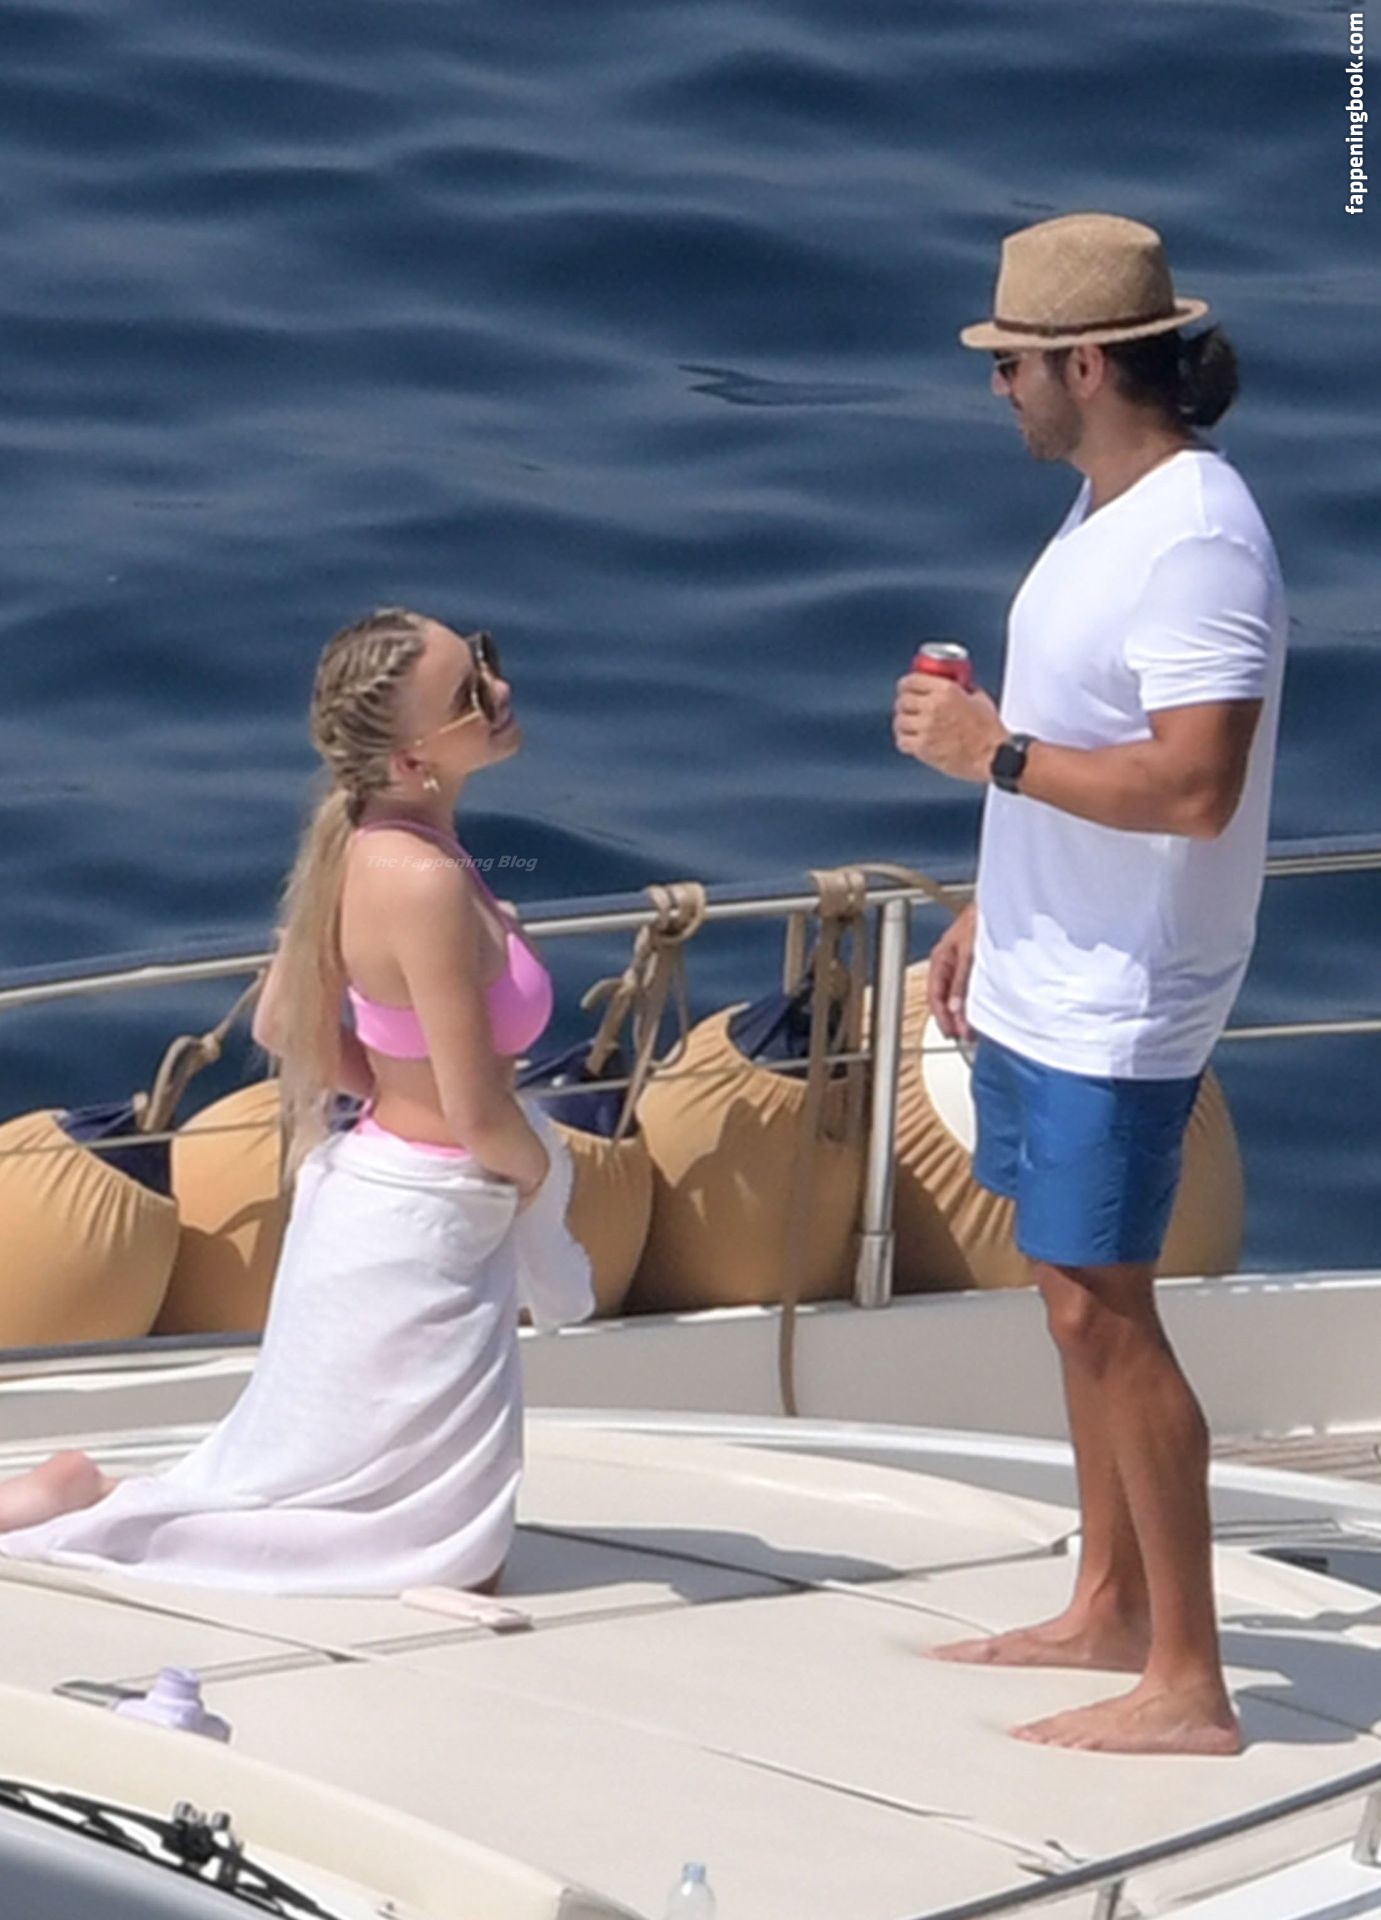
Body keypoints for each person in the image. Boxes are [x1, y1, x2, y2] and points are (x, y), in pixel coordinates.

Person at [892, 214, 1288, 1755]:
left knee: (1106, 1308)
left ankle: (1189, 1682)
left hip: (1127, 987)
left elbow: (1194, 785)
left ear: (1084, 365)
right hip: (1045, 960)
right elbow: (1090, 731)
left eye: (1011, 364)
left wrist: (988, 754)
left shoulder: (1196, 538)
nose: (996, 388)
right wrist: (992, 902)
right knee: (1070, 1301)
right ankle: (1110, 1602)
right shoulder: (1103, 508)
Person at [0, 607, 592, 1595]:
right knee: (443, 1554)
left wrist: (399, 1094)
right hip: (427, 1224)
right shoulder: (423, 879)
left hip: (392, 1204)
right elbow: (478, 1114)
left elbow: (285, 1026)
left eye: (484, 662)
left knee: (365, 1515)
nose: (498, 689)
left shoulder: (367, 842)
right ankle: (95, 1509)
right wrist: (544, 1181)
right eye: (467, 693)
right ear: (409, 760)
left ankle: (92, 1495)